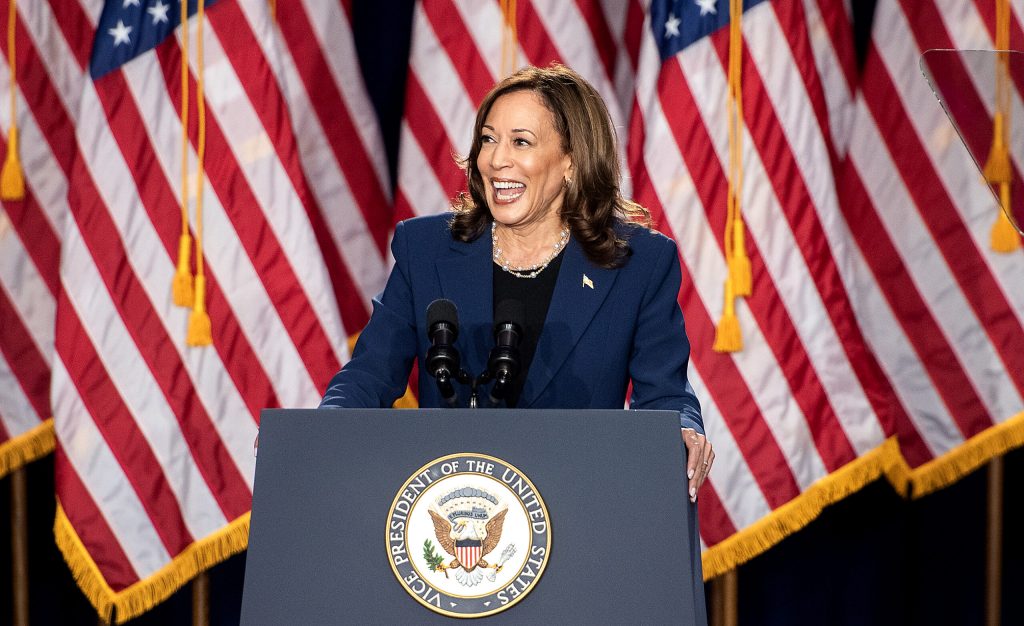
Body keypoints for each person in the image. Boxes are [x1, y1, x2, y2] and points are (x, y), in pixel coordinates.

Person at [319, 64, 714, 502]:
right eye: (488, 139)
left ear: (571, 160)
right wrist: (314, 432)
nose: (495, 159)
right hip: (455, 505)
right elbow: (370, 374)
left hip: (582, 501)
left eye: (520, 142)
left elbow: (664, 392)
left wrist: (682, 429)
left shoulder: (639, 263)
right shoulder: (426, 248)